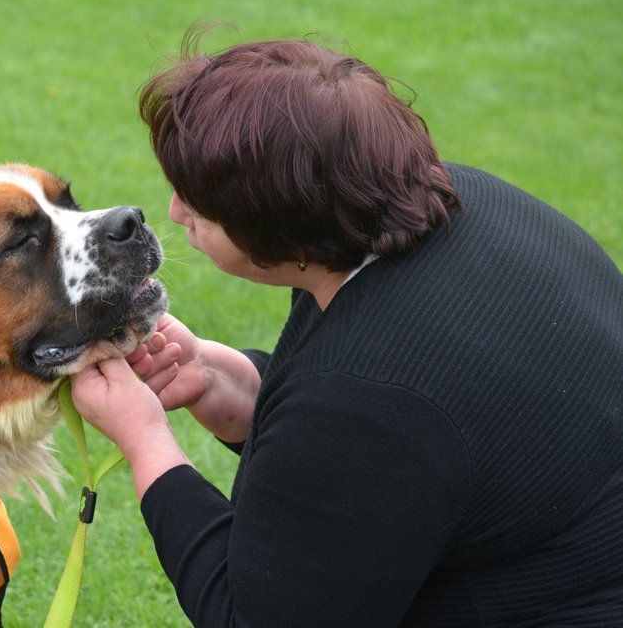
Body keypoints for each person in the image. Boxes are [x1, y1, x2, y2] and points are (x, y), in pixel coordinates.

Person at [69, 31, 623, 627]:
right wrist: (215, 378)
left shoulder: (369, 399)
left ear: (274, 214)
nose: (176, 211)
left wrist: (146, 440)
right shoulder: (467, 202)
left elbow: (256, 617)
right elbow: (386, 464)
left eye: (198, 201)